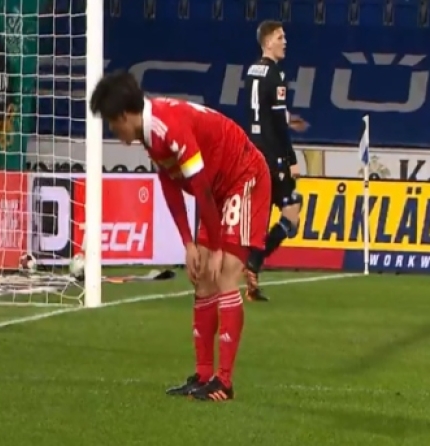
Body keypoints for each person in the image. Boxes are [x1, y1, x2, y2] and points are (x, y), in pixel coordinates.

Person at [90, 71, 271, 402]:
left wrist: (216, 246)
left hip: (243, 175)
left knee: (225, 273)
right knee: (202, 280)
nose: (114, 132)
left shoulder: (167, 127)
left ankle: (224, 382)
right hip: (216, 188)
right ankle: (203, 375)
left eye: (113, 125)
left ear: (125, 115)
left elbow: (199, 187)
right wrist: (188, 243)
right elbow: (171, 184)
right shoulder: (150, 132)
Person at [243, 20, 309, 302]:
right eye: (280, 37)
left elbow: (266, 111)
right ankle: (254, 262)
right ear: (268, 41)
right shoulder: (276, 75)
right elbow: (279, 124)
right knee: (292, 210)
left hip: (254, 152)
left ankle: (251, 276)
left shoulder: (253, 71)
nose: (285, 42)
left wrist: (287, 118)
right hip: (273, 156)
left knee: (262, 216)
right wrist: (291, 158)